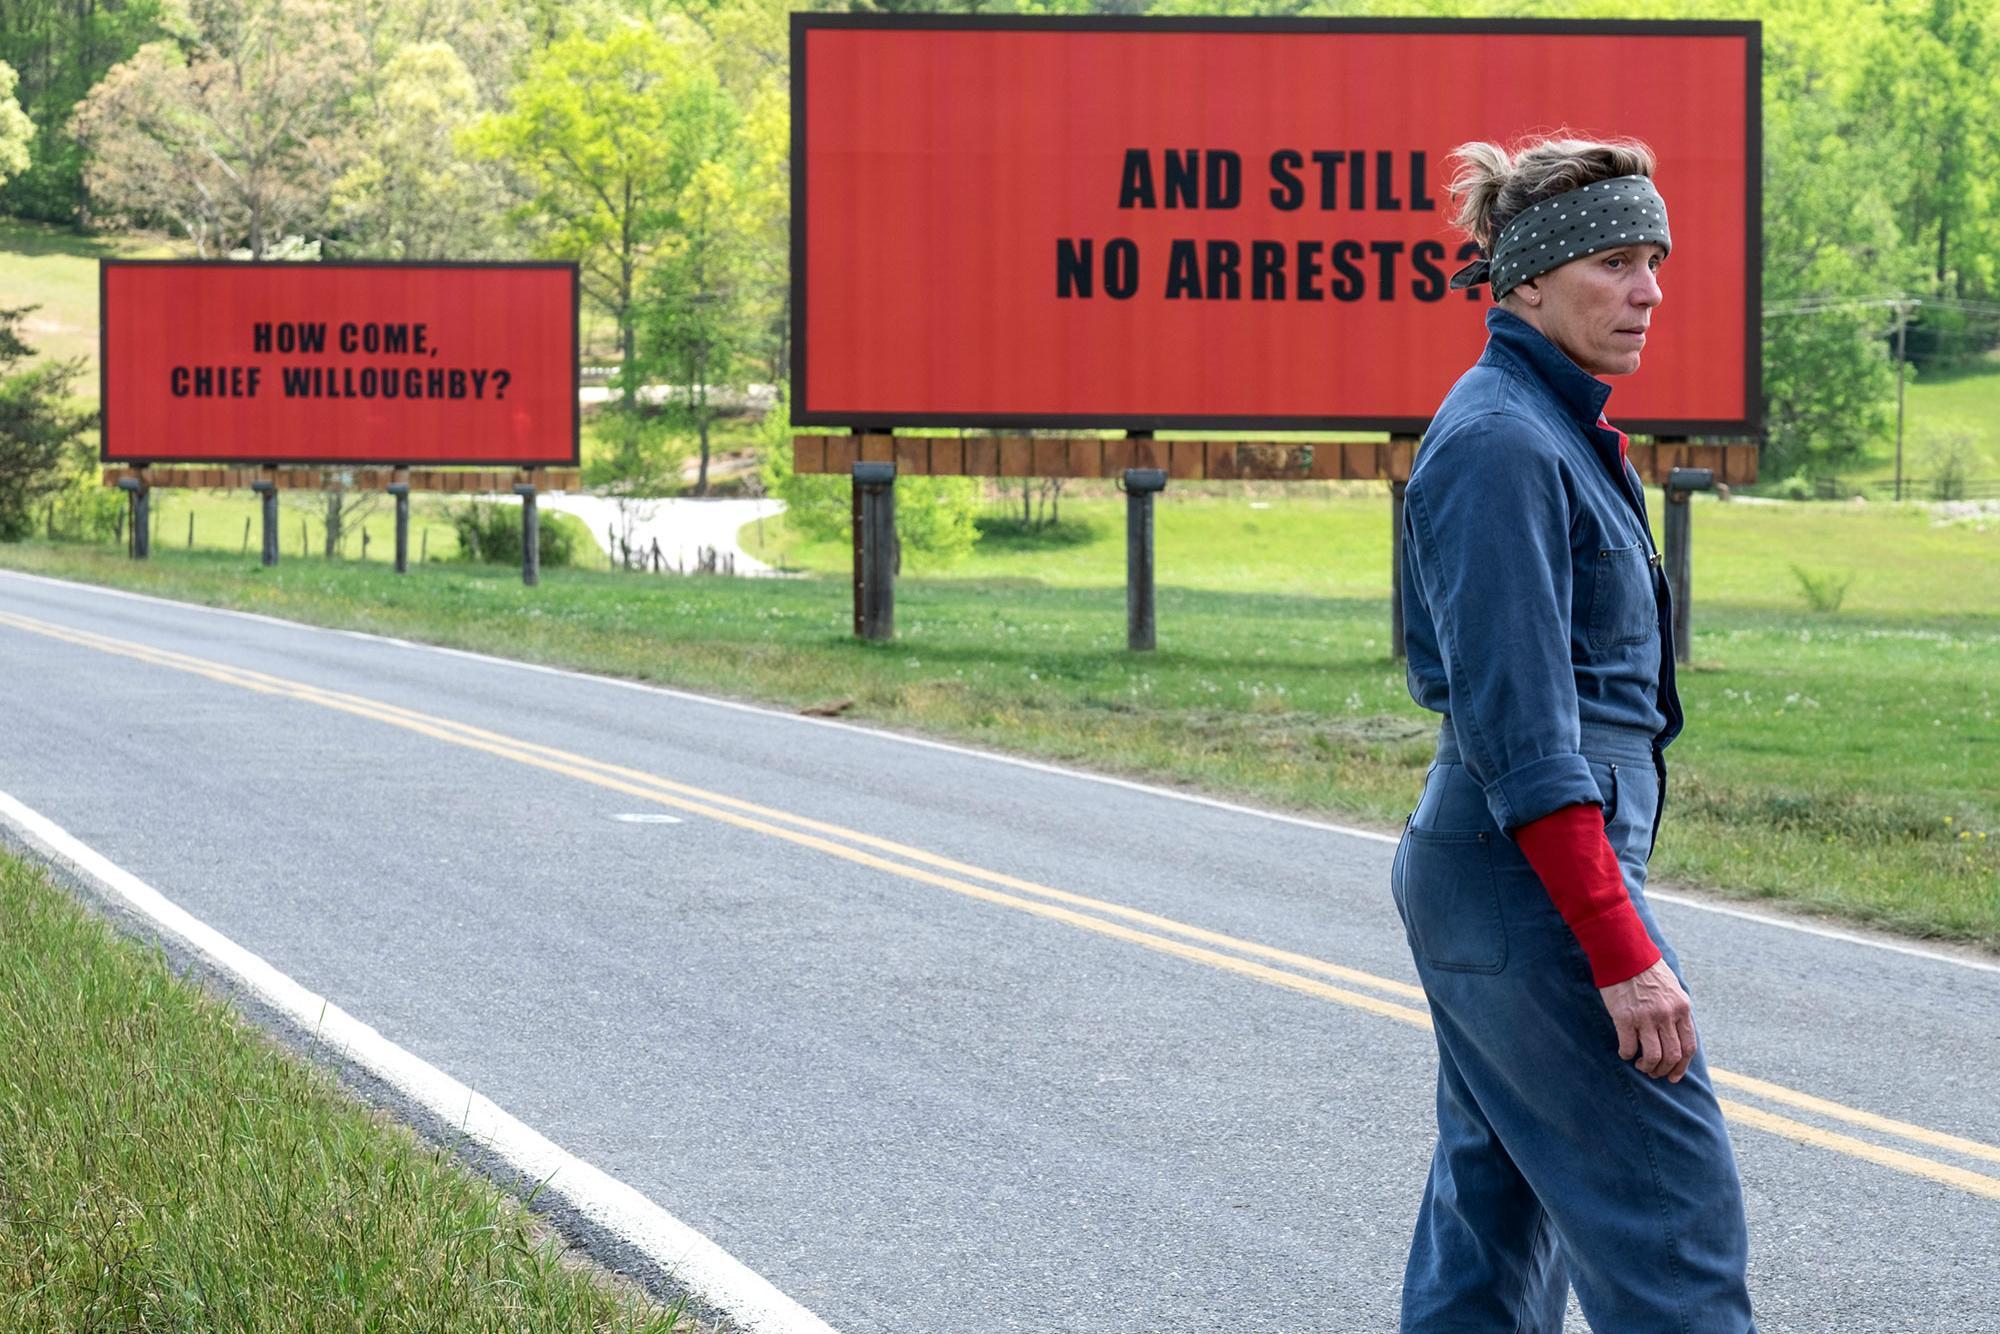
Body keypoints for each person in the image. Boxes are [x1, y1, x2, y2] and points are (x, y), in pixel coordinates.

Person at [1389, 135, 1757, 1332]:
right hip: (1527, 877)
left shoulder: (1542, 426)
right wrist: (1616, 944)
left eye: (1652, 258)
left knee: (1492, 1218)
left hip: (1507, 875)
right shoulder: (1501, 442)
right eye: (1614, 259)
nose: (1648, 288)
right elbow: (1523, 731)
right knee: (1669, 1225)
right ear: (1527, 281)